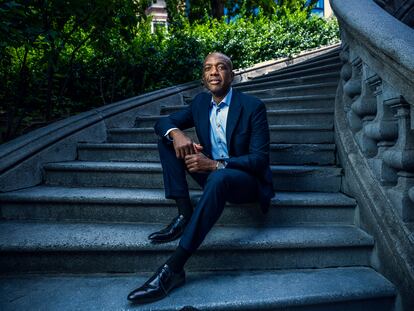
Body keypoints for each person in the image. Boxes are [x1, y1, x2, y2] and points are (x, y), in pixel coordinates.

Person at [127, 52, 274, 304]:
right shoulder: (199, 104)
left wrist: (217, 164)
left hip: (244, 181)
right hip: (210, 172)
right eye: (208, 68)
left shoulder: (252, 107)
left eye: (221, 67)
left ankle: (173, 268)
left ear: (232, 74)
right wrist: (177, 134)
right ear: (204, 78)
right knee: (168, 143)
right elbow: (163, 122)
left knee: (219, 178)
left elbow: (259, 160)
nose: (214, 72)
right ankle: (185, 213)